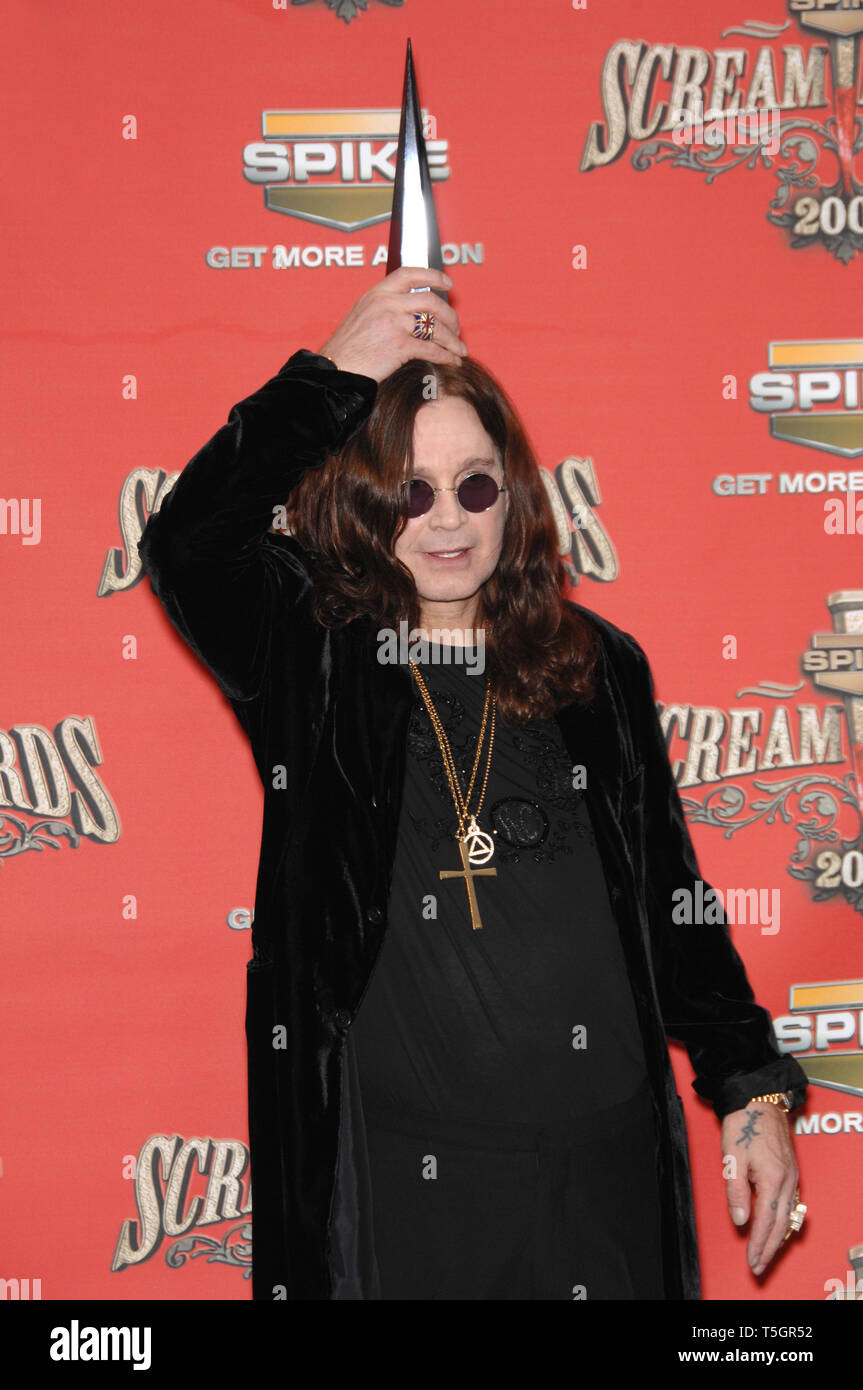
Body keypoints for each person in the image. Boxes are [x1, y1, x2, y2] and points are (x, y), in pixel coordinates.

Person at [138, 265, 809, 1300]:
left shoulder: (598, 664)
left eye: (475, 485)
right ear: (368, 501)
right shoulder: (309, 652)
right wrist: (330, 377)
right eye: (409, 489)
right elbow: (188, 538)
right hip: (411, 1190)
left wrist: (751, 1088)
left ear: (513, 496)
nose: (446, 518)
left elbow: (670, 903)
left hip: (606, 1175)